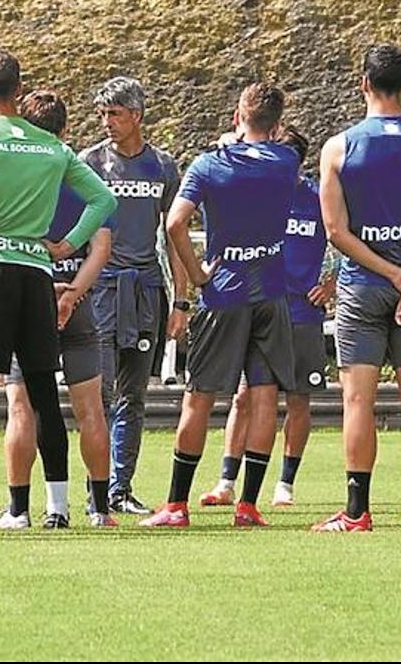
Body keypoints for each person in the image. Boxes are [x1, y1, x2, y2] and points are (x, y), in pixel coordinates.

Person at [0, 50, 115, 530]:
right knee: (46, 391)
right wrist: (66, 242)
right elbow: (103, 200)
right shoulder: (52, 148)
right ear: (19, 92)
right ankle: (60, 507)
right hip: (36, 269)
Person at [142, 83, 299, 528]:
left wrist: (195, 275)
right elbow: (269, 151)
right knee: (265, 396)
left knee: (201, 397)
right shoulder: (287, 162)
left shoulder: (211, 164)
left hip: (224, 288)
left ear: (236, 115)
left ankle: (176, 505)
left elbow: (175, 223)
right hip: (270, 288)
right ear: (277, 121)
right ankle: (248, 506)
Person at [199, 125, 334, 508]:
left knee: (298, 399)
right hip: (259, 304)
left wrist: (332, 281)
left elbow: (344, 233)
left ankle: (285, 484)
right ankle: (227, 481)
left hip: (302, 310)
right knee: (245, 396)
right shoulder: (255, 192)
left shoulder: (317, 198)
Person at [2, 89, 118, 528]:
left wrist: (52, 290)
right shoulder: (80, 173)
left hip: (29, 298)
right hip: (79, 302)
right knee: (90, 409)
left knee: (21, 408)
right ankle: (100, 508)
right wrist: (73, 293)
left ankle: (19, 509)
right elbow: (102, 248)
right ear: (65, 130)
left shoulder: (20, 177)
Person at [313, 44, 401, 532]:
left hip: (363, 284)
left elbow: (335, 231)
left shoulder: (339, 146)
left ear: (363, 84)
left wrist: (389, 272)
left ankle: (356, 512)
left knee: (358, 402)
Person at [81, 77, 187, 515]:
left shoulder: (162, 166)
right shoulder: (89, 163)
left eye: (116, 114)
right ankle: (97, 493)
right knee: (99, 393)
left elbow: (175, 235)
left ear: (137, 116)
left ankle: (122, 488)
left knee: (134, 394)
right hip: (102, 291)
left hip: (146, 290)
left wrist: (181, 300)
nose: (108, 122)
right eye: (103, 114)